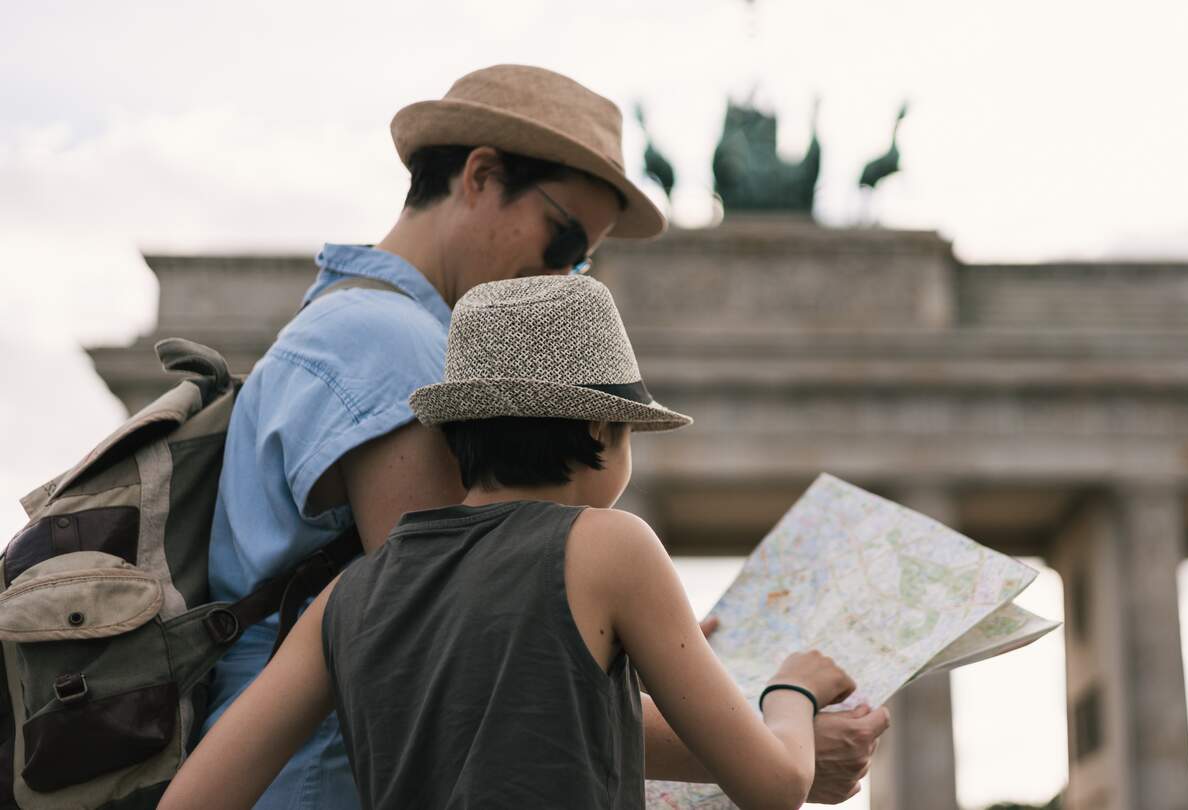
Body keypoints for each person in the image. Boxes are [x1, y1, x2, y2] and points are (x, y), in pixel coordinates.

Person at [203, 63, 887, 808]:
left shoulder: (352, 330)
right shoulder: (390, 342)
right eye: (564, 241)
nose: (563, 275)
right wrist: (773, 727)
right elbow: (476, 649)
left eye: (584, 261)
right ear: (481, 175)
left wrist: (627, 635)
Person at [163, 276, 859, 810]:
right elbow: (776, 785)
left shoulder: (350, 594)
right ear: (600, 433)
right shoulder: (614, 548)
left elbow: (191, 801)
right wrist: (790, 691)